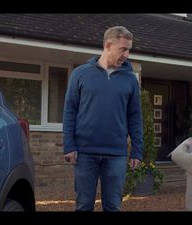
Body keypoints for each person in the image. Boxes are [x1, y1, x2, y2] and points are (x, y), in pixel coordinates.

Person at [62, 26, 143, 212]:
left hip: (116, 153)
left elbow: (135, 116)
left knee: (113, 206)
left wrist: (138, 150)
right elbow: (70, 112)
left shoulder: (130, 80)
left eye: (129, 49)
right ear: (108, 45)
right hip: (84, 153)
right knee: (83, 205)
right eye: (123, 49)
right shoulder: (80, 74)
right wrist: (69, 145)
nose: (127, 54)